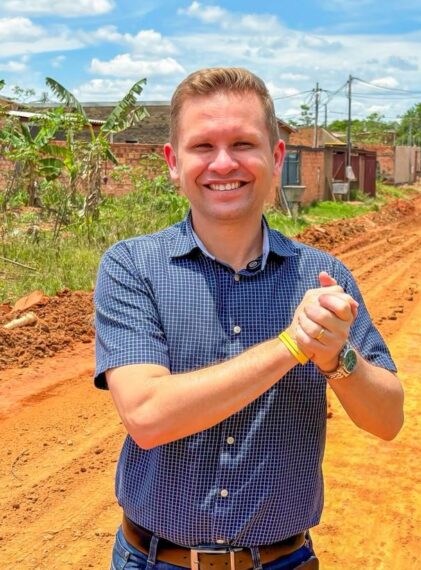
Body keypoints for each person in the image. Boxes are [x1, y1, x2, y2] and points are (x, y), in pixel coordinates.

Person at [94, 67, 404, 570]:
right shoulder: (132, 268)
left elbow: (388, 420)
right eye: (202, 147)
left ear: (275, 158)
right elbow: (147, 417)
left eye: (243, 143)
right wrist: (292, 346)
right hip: (154, 561)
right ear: (174, 163)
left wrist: (336, 358)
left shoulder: (325, 275)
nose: (223, 163)